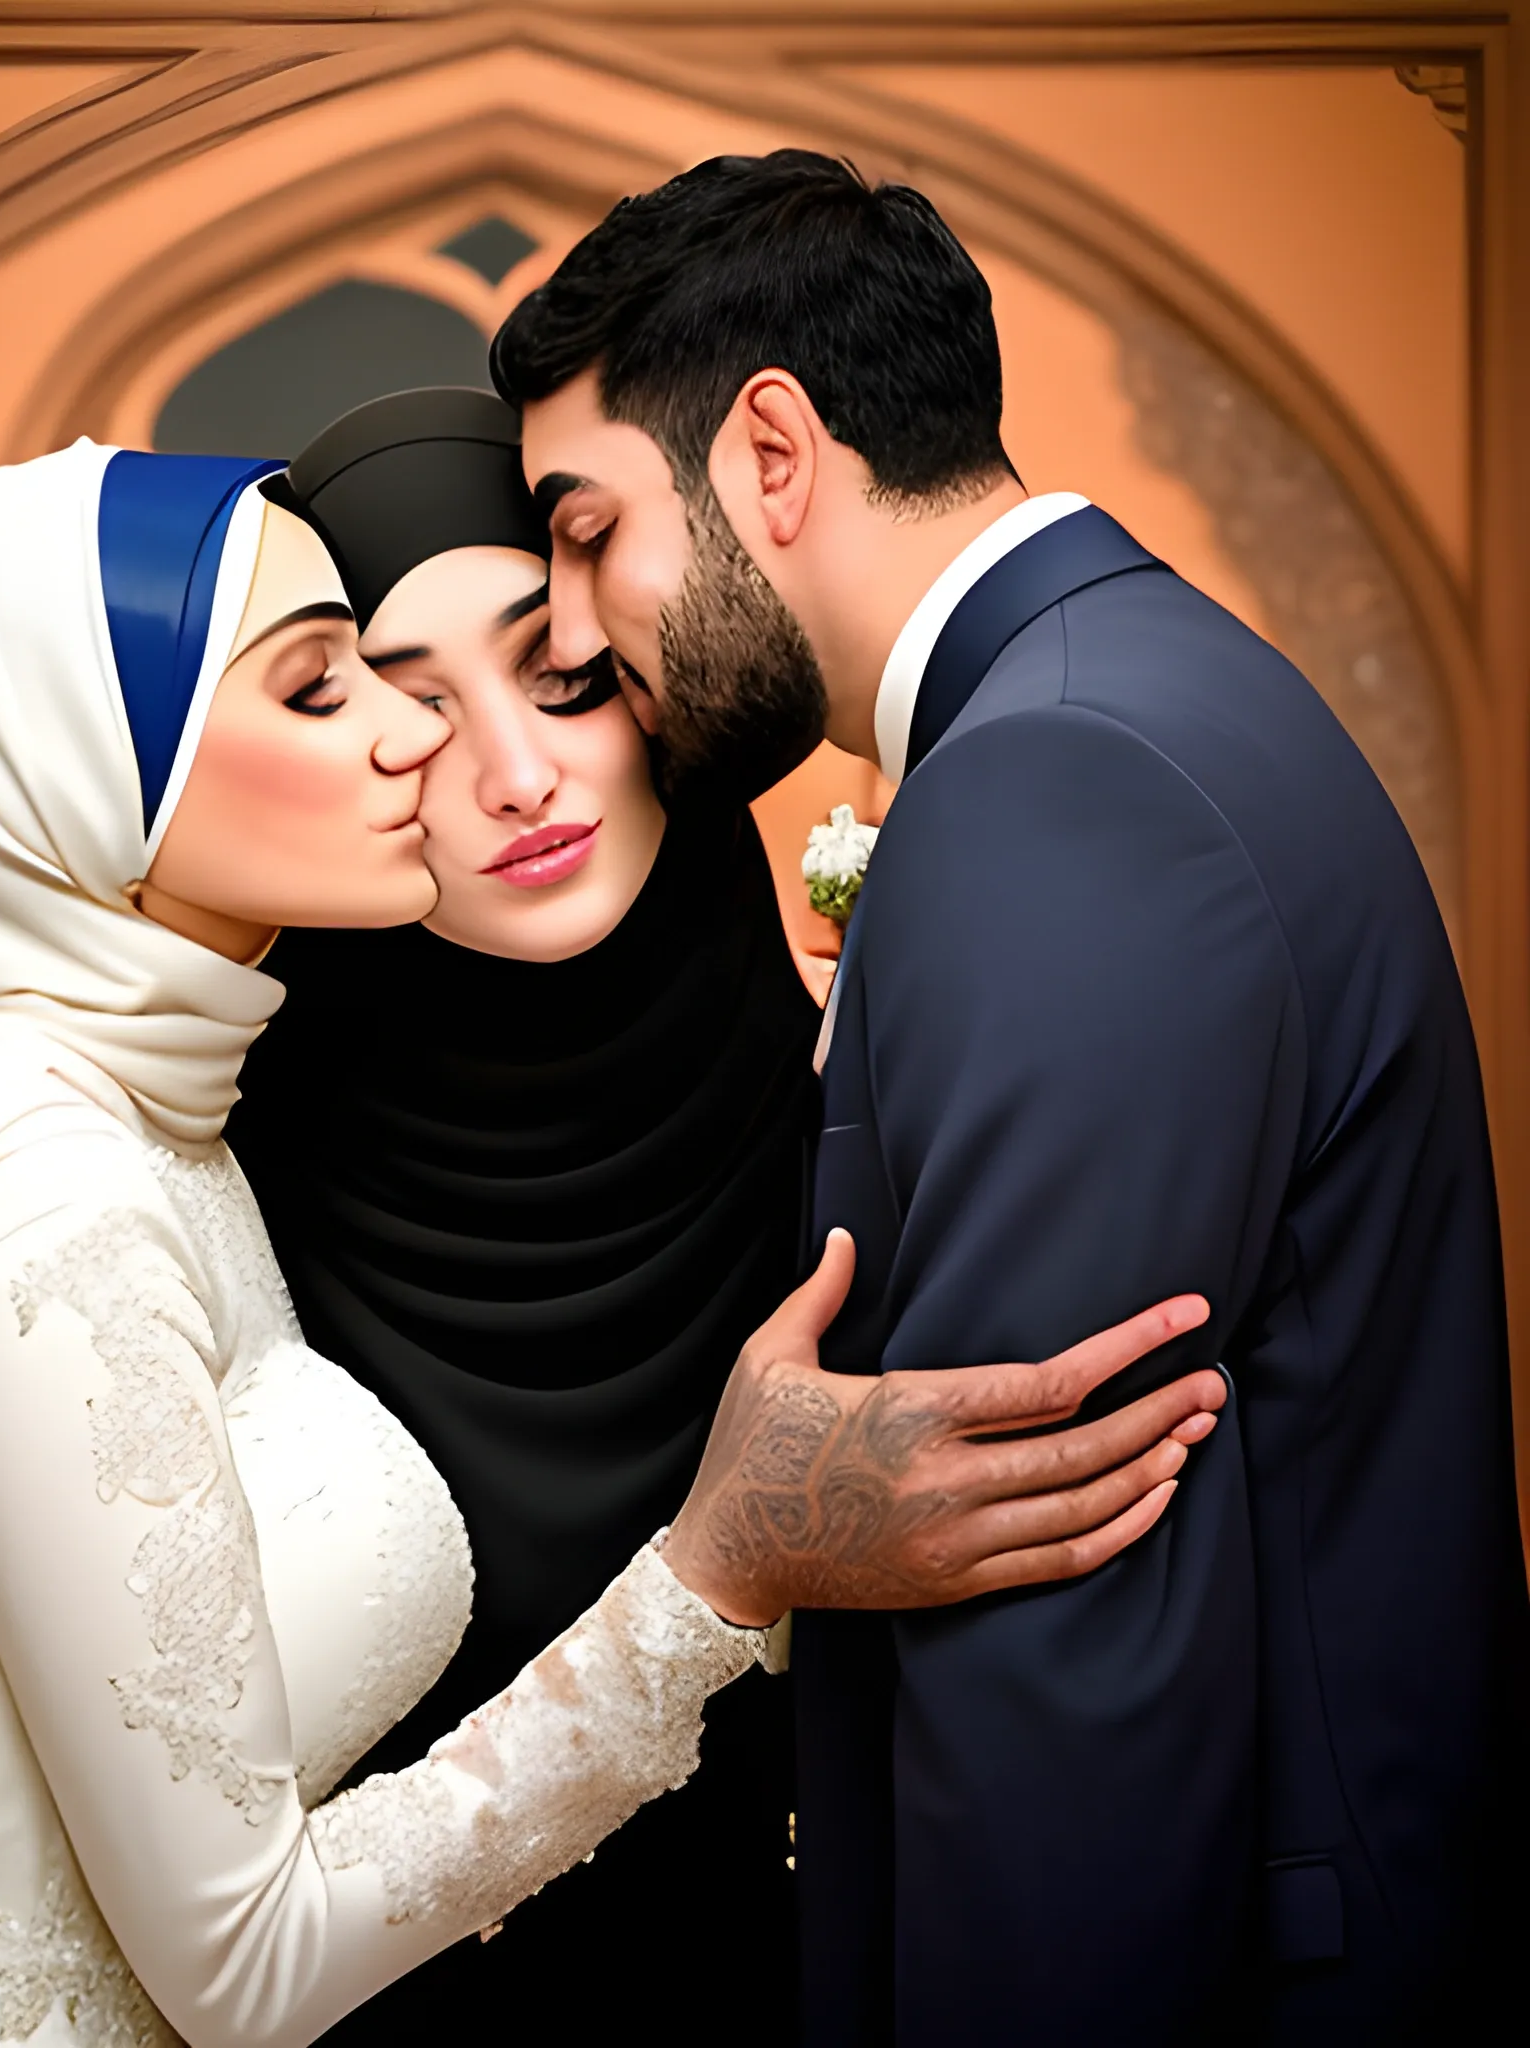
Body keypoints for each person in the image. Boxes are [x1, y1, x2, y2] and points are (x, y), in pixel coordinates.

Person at [0, 439, 1221, 2048]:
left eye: (566, 677)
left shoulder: (162, 1121)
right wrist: (725, 1569)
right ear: (75, 771)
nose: (458, 758)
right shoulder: (58, 1188)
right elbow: (237, 1949)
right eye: (340, 691)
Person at [493, 148, 1530, 2044]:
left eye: (586, 529)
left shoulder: (1056, 780)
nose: (574, 625)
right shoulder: (1125, 690)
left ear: (773, 452)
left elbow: (1055, 1581)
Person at [230, 387, 813, 2040]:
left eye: (563, 680)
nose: (512, 772)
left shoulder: (878, 1112)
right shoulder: (211, 1187)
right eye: (408, 718)